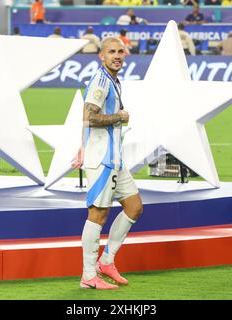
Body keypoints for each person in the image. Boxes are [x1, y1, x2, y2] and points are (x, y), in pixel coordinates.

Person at [72, 37, 143, 290]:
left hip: (115, 158)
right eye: (111, 52)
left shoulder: (113, 80)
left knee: (134, 207)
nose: (117, 55)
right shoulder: (101, 81)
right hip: (102, 159)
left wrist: (82, 147)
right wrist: (118, 117)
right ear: (101, 56)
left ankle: (106, 261)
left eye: (120, 52)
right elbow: (88, 117)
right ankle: (88, 276)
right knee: (98, 215)